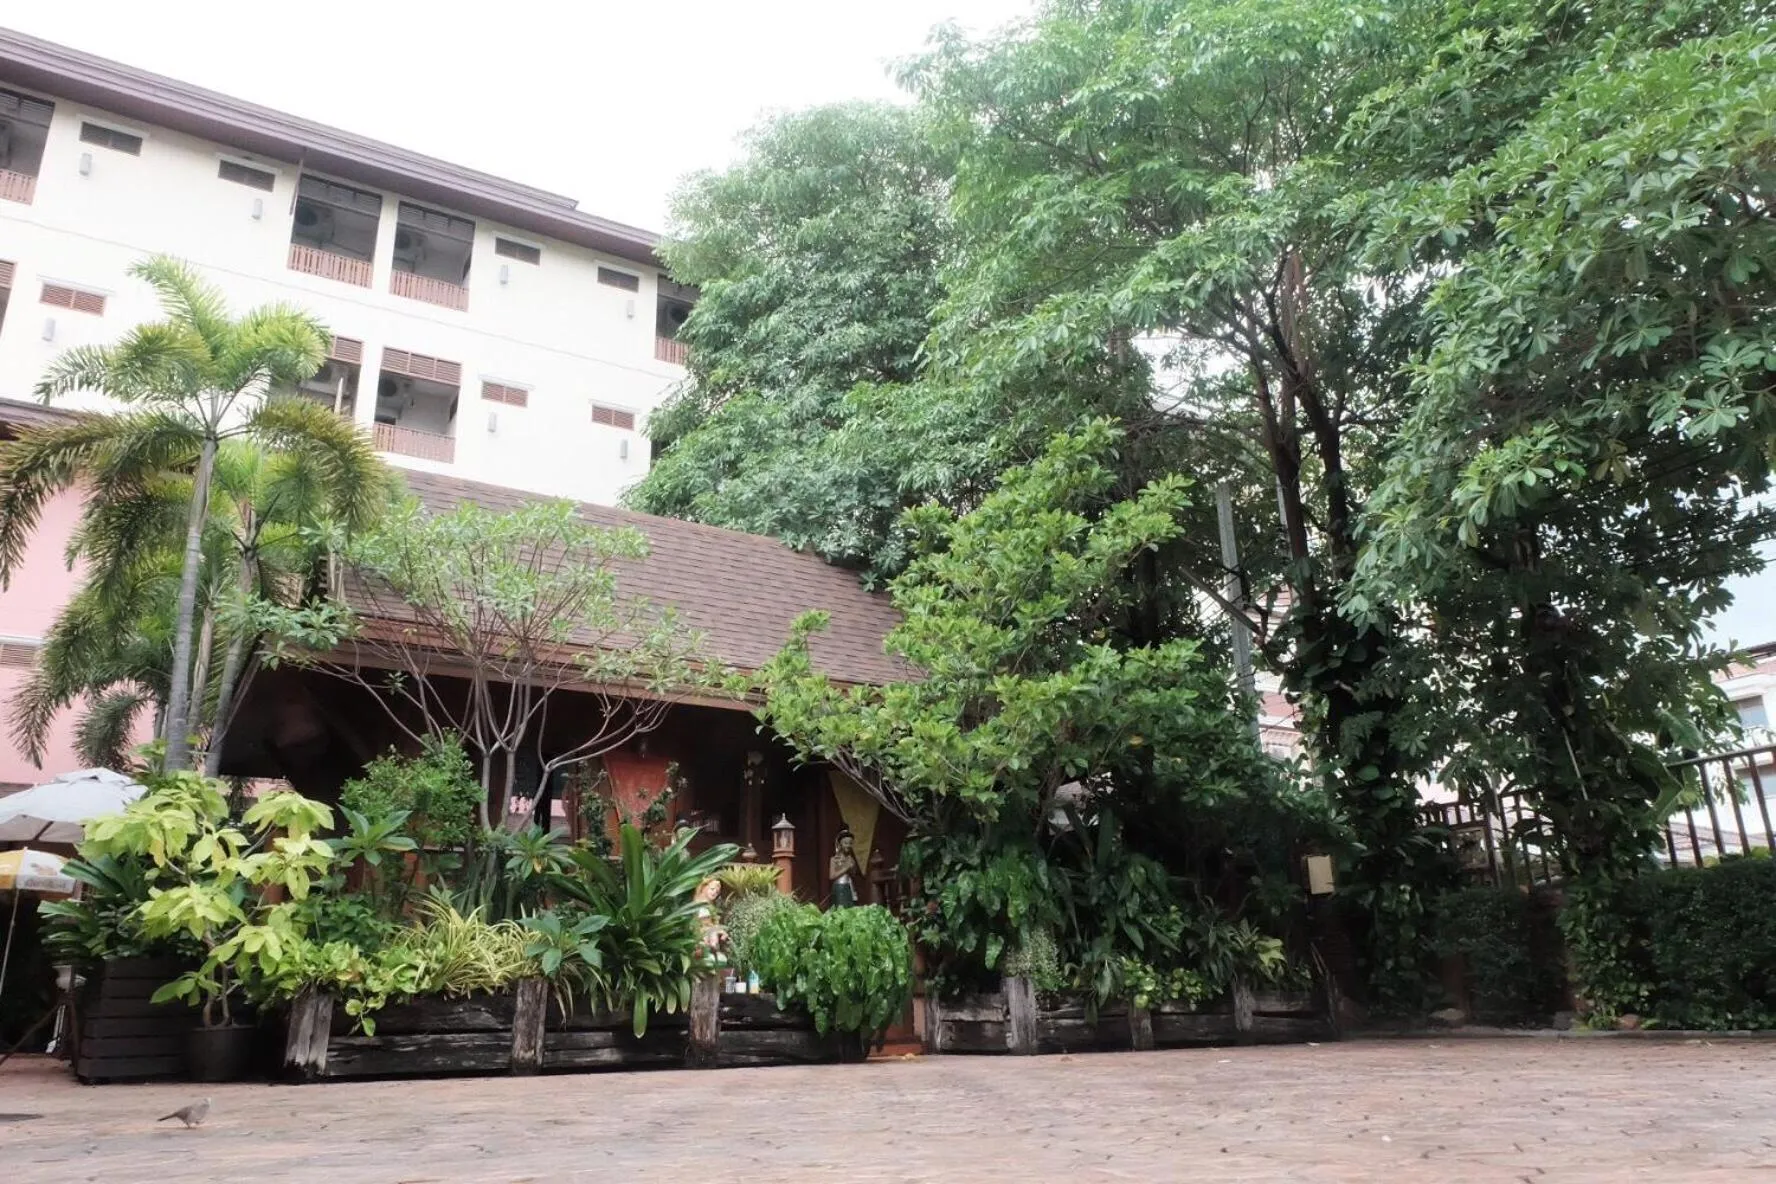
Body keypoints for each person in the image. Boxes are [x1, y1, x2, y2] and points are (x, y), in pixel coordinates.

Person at [828, 827, 860, 908]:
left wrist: (852, 867)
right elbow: (832, 876)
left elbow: (854, 874)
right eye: (845, 843)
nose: (848, 845)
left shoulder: (851, 859)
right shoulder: (834, 859)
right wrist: (846, 868)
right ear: (840, 844)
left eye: (850, 843)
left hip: (849, 887)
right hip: (839, 888)